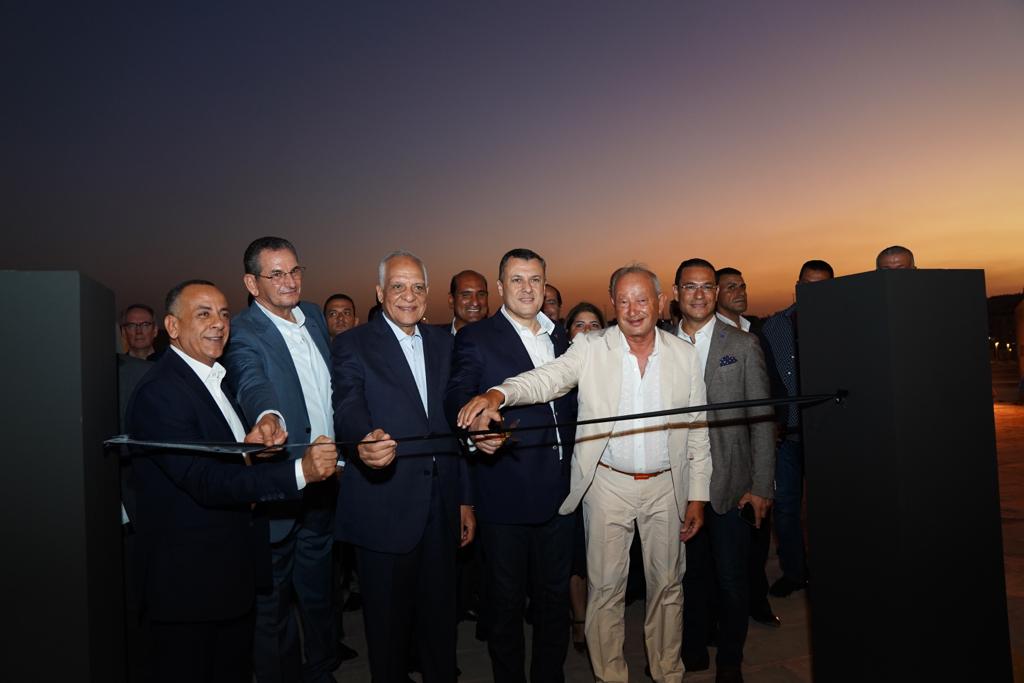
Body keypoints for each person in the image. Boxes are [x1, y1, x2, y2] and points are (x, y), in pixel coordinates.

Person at [458, 264, 712, 683]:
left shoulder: (684, 356)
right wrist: (499, 393)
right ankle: (610, 676)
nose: (633, 309)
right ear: (613, 304)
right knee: (606, 590)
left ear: (659, 301)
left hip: (667, 487)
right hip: (607, 485)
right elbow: (548, 378)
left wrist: (697, 496)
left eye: (642, 299)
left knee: (668, 586)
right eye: (623, 301)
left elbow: (699, 430)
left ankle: (668, 672)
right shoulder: (590, 348)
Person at [126, 279, 338, 683]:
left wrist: (253, 450)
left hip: (227, 578)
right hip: (189, 589)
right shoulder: (161, 392)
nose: (219, 323)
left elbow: (222, 460)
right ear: (172, 326)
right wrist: (300, 471)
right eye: (203, 314)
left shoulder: (215, 381)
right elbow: (205, 480)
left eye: (224, 314)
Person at [332, 250, 475, 682]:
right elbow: (347, 404)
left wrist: (465, 499)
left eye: (417, 287)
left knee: (440, 625)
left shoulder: (446, 343)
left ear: (428, 294)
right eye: (398, 286)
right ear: (380, 292)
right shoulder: (353, 343)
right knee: (388, 632)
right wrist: (363, 439)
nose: (408, 295)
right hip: (384, 506)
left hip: (441, 506)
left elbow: (455, 426)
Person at [445, 248, 577, 682]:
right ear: (501, 287)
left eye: (535, 280)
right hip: (507, 494)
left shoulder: (562, 337)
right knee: (505, 605)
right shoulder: (477, 337)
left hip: (562, 493)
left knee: (554, 601)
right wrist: (474, 427)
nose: (527, 288)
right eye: (517, 280)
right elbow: (459, 391)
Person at [222, 236, 338, 683]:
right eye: (276, 274)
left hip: (325, 481)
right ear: (252, 283)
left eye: (294, 271)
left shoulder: (313, 315)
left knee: (320, 591)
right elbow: (251, 380)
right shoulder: (243, 331)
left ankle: (322, 669)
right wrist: (268, 416)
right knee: (273, 604)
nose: (289, 281)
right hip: (280, 482)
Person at [674, 259, 775, 683]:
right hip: (677, 487)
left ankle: (730, 661)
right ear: (677, 293)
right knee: (687, 577)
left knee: (732, 579)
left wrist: (761, 486)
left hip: (731, 485)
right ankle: (693, 649)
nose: (699, 295)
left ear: (716, 293)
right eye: (690, 286)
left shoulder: (743, 344)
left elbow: (762, 419)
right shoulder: (658, 345)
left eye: (707, 287)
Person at [758, 260, 834, 598]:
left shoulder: (844, 323)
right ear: (797, 286)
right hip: (787, 436)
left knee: (829, 508)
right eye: (808, 284)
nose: (814, 291)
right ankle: (794, 572)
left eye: (822, 285)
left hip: (828, 434)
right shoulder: (774, 326)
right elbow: (764, 379)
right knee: (786, 509)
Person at [562, 301, 606, 654]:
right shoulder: (560, 372)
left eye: (594, 325)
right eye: (580, 324)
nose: (588, 331)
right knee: (576, 551)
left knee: (600, 552)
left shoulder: (615, 369)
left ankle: (600, 620)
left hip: (606, 476)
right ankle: (579, 619)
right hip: (568, 476)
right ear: (568, 333)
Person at [714, 268, 751, 332]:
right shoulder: (710, 332)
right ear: (716, 293)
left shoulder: (755, 330)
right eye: (732, 287)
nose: (742, 293)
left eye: (743, 287)